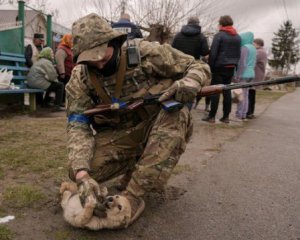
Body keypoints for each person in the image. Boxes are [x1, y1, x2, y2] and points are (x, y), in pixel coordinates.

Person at [66, 13, 210, 228]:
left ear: (113, 41)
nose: (99, 65)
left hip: (161, 124)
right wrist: (82, 175)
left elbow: (197, 66)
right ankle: (135, 166)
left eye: (102, 57)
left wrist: (190, 82)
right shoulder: (81, 77)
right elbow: (77, 124)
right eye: (91, 60)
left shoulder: (144, 53)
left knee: (177, 112)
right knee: (82, 170)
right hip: (123, 135)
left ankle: (134, 195)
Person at [202, 15, 241, 124]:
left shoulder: (219, 35)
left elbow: (213, 52)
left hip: (219, 66)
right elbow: (238, 53)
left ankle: (212, 116)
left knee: (215, 91)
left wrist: (210, 66)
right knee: (227, 91)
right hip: (231, 67)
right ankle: (226, 117)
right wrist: (235, 65)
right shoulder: (238, 37)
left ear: (221, 24)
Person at [171, 16, 210, 111]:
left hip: (178, 66)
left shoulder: (178, 35)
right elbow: (205, 52)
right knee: (189, 89)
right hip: (193, 67)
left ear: (188, 23)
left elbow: (172, 49)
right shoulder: (201, 36)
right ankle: (186, 111)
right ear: (198, 24)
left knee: (177, 87)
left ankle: (174, 109)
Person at [27, 47, 64, 112]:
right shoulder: (47, 62)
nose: (53, 55)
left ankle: (45, 103)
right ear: (47, 54)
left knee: (50, 84)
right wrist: (56, 80)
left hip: (31, 83)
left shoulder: (40, 61)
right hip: (36, 83)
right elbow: (52, 77)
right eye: (51, 53)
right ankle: (57, 106)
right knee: (60, 85)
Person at [234, 32, 256, 120]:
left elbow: (242, 63)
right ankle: (243, 113)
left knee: (240, 94)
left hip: (244, 74)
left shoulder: (244, 48)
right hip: (251, 73)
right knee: (246, 95)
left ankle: (239, 114)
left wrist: (237, 75)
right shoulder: (253, 48)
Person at [247, 38, 267, 119]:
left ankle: (249, 113)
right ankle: (250, 112)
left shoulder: (259, 52)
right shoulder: (262, 51)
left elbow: (251, 60)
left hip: (255, 76)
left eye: (253, 43)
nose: (252, 45)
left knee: (250, 95)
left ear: (257, 44)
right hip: (257, 75)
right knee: (251, 94)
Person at [55, 34, 75, 102]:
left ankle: (63, 101)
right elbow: (59, 61)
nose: (72, 41)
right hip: (64, 73)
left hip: (68, 73)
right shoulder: (62, 49)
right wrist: (62, 72)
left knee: (66, 88)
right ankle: (60, 101)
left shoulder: (68, 49)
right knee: (63, 87)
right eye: (70, 39)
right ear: (66, 39)